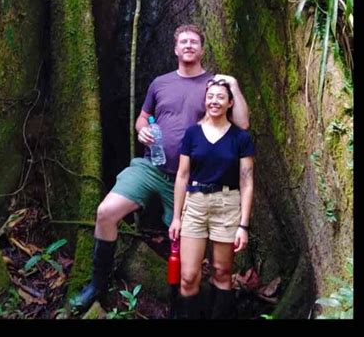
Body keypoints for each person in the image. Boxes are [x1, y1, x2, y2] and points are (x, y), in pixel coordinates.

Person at [70, 24, 250, 312]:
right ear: (175, 49)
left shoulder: (213, 86)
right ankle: (97, 285)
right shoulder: (160, 83)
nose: (189, 45)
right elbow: (143, 118)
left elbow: (242, 124)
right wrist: (141, 130)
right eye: (183, 41)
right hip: (150, 168)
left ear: (202, 49)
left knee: (185, 249)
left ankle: (183, 305)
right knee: (105, 213)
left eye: (194, 42)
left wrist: (235, 86)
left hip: (193, 180)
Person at [168, 78, 255, 320]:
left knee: (222, 271)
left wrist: (243, 225)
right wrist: (176, 217)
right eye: (210, 96)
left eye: (220, 97)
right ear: (204, 100)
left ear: (230, 103)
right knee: (188, 276)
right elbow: (182, 176)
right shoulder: (192, 133)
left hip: (227, 205)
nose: (214, 101)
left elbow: (247, 182)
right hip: (194, 204)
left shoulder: (240, 138)